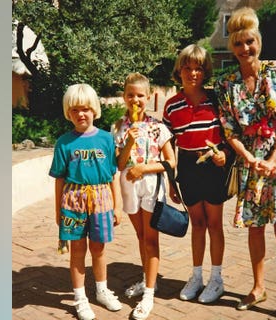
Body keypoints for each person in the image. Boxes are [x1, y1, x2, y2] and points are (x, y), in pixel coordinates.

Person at [214, 7, 276, 320]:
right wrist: (251, 159)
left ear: (259, 41)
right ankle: (258, 287)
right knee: (255, 229)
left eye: (250, 42)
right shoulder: (226, 84)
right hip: (251, 161)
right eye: (239, 44)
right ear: (232, 47)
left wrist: (272, 158)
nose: (245, 49)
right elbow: (229, 129)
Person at [162, 44, 232, 304]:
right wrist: (170, 178)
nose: (192, 73)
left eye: (199, 69)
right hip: (188, 169)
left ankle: (216, 279)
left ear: (205, 72)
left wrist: (225, 153)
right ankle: (196, 276)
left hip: (213, 168)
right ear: (179, 70)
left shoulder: (216, 100)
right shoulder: (171, 106)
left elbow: (230, 136)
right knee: (197, 224)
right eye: (188, 68)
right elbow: (166, 144)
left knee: (214, 224)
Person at [49, 83, 123, 320]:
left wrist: (117, 205)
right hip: (73, 201)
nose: (81, 114)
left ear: (94, 110)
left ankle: (102, 290)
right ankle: (80, 297)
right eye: (74, 110)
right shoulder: (64, 142)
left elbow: (113, 175)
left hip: (102, 199)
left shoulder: (106, 139)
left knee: (99, 249)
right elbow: (59, 179)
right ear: (68, 113)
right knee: (77, 250)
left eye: (85, 109)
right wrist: (58, 211)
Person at [113, 73, 176, 320]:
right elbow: (118, 164)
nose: (135, 99)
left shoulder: (158, 127)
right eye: (131, 95)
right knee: (140, 236)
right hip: (129, 185)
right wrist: (128, 144)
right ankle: (148, 280)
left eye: (140, 95)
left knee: (151, 239)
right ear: (124, 97)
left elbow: (171, 163)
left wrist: (144, 168)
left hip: (151, 184)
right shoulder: (118, 126)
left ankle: (148, 295)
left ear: (149, 97)